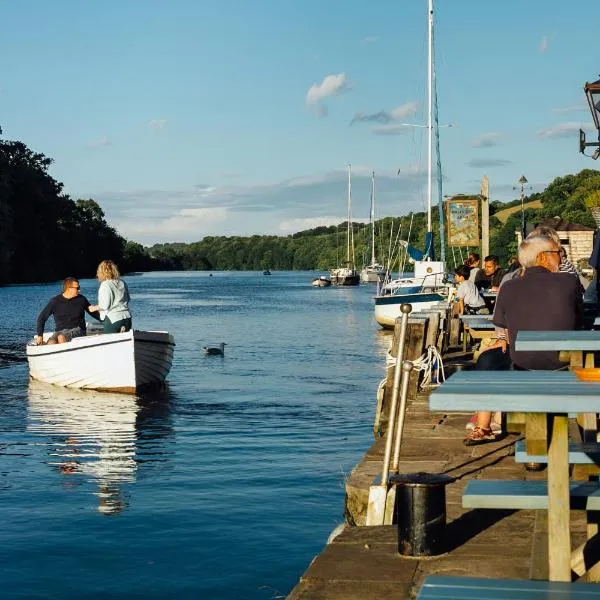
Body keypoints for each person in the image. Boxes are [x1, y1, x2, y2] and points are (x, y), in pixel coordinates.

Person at [463, 236, 582, 445]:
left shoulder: (508, 287)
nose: (561, 259)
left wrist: (506, 337)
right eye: (557, 254)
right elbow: (577, 316)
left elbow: (502, 324)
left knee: (487, 359)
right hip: (562, 362)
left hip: (523, 361)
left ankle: (486, 423)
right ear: (543, 257)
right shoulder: (569, 281)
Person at [35, 277, 100, 345]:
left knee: (61, 337)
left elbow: (93, 313)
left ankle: (67, 355)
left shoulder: (81, 299)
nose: (79, 290)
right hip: (59, 331)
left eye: (79, 287)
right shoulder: (55, 301)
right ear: (68, 288)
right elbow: (41, 318)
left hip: (78, 329)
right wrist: (40, 336)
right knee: (51, 343)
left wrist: (106, 321)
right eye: (77, 288)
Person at [89, 260, 132, 334]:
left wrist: (93, 308)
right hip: (127, 318)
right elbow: (128, 299)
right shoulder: (122, 282)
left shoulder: (105, 284)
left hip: (113, 319)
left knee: (111, 344)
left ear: (101, 272)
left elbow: (105, 306)